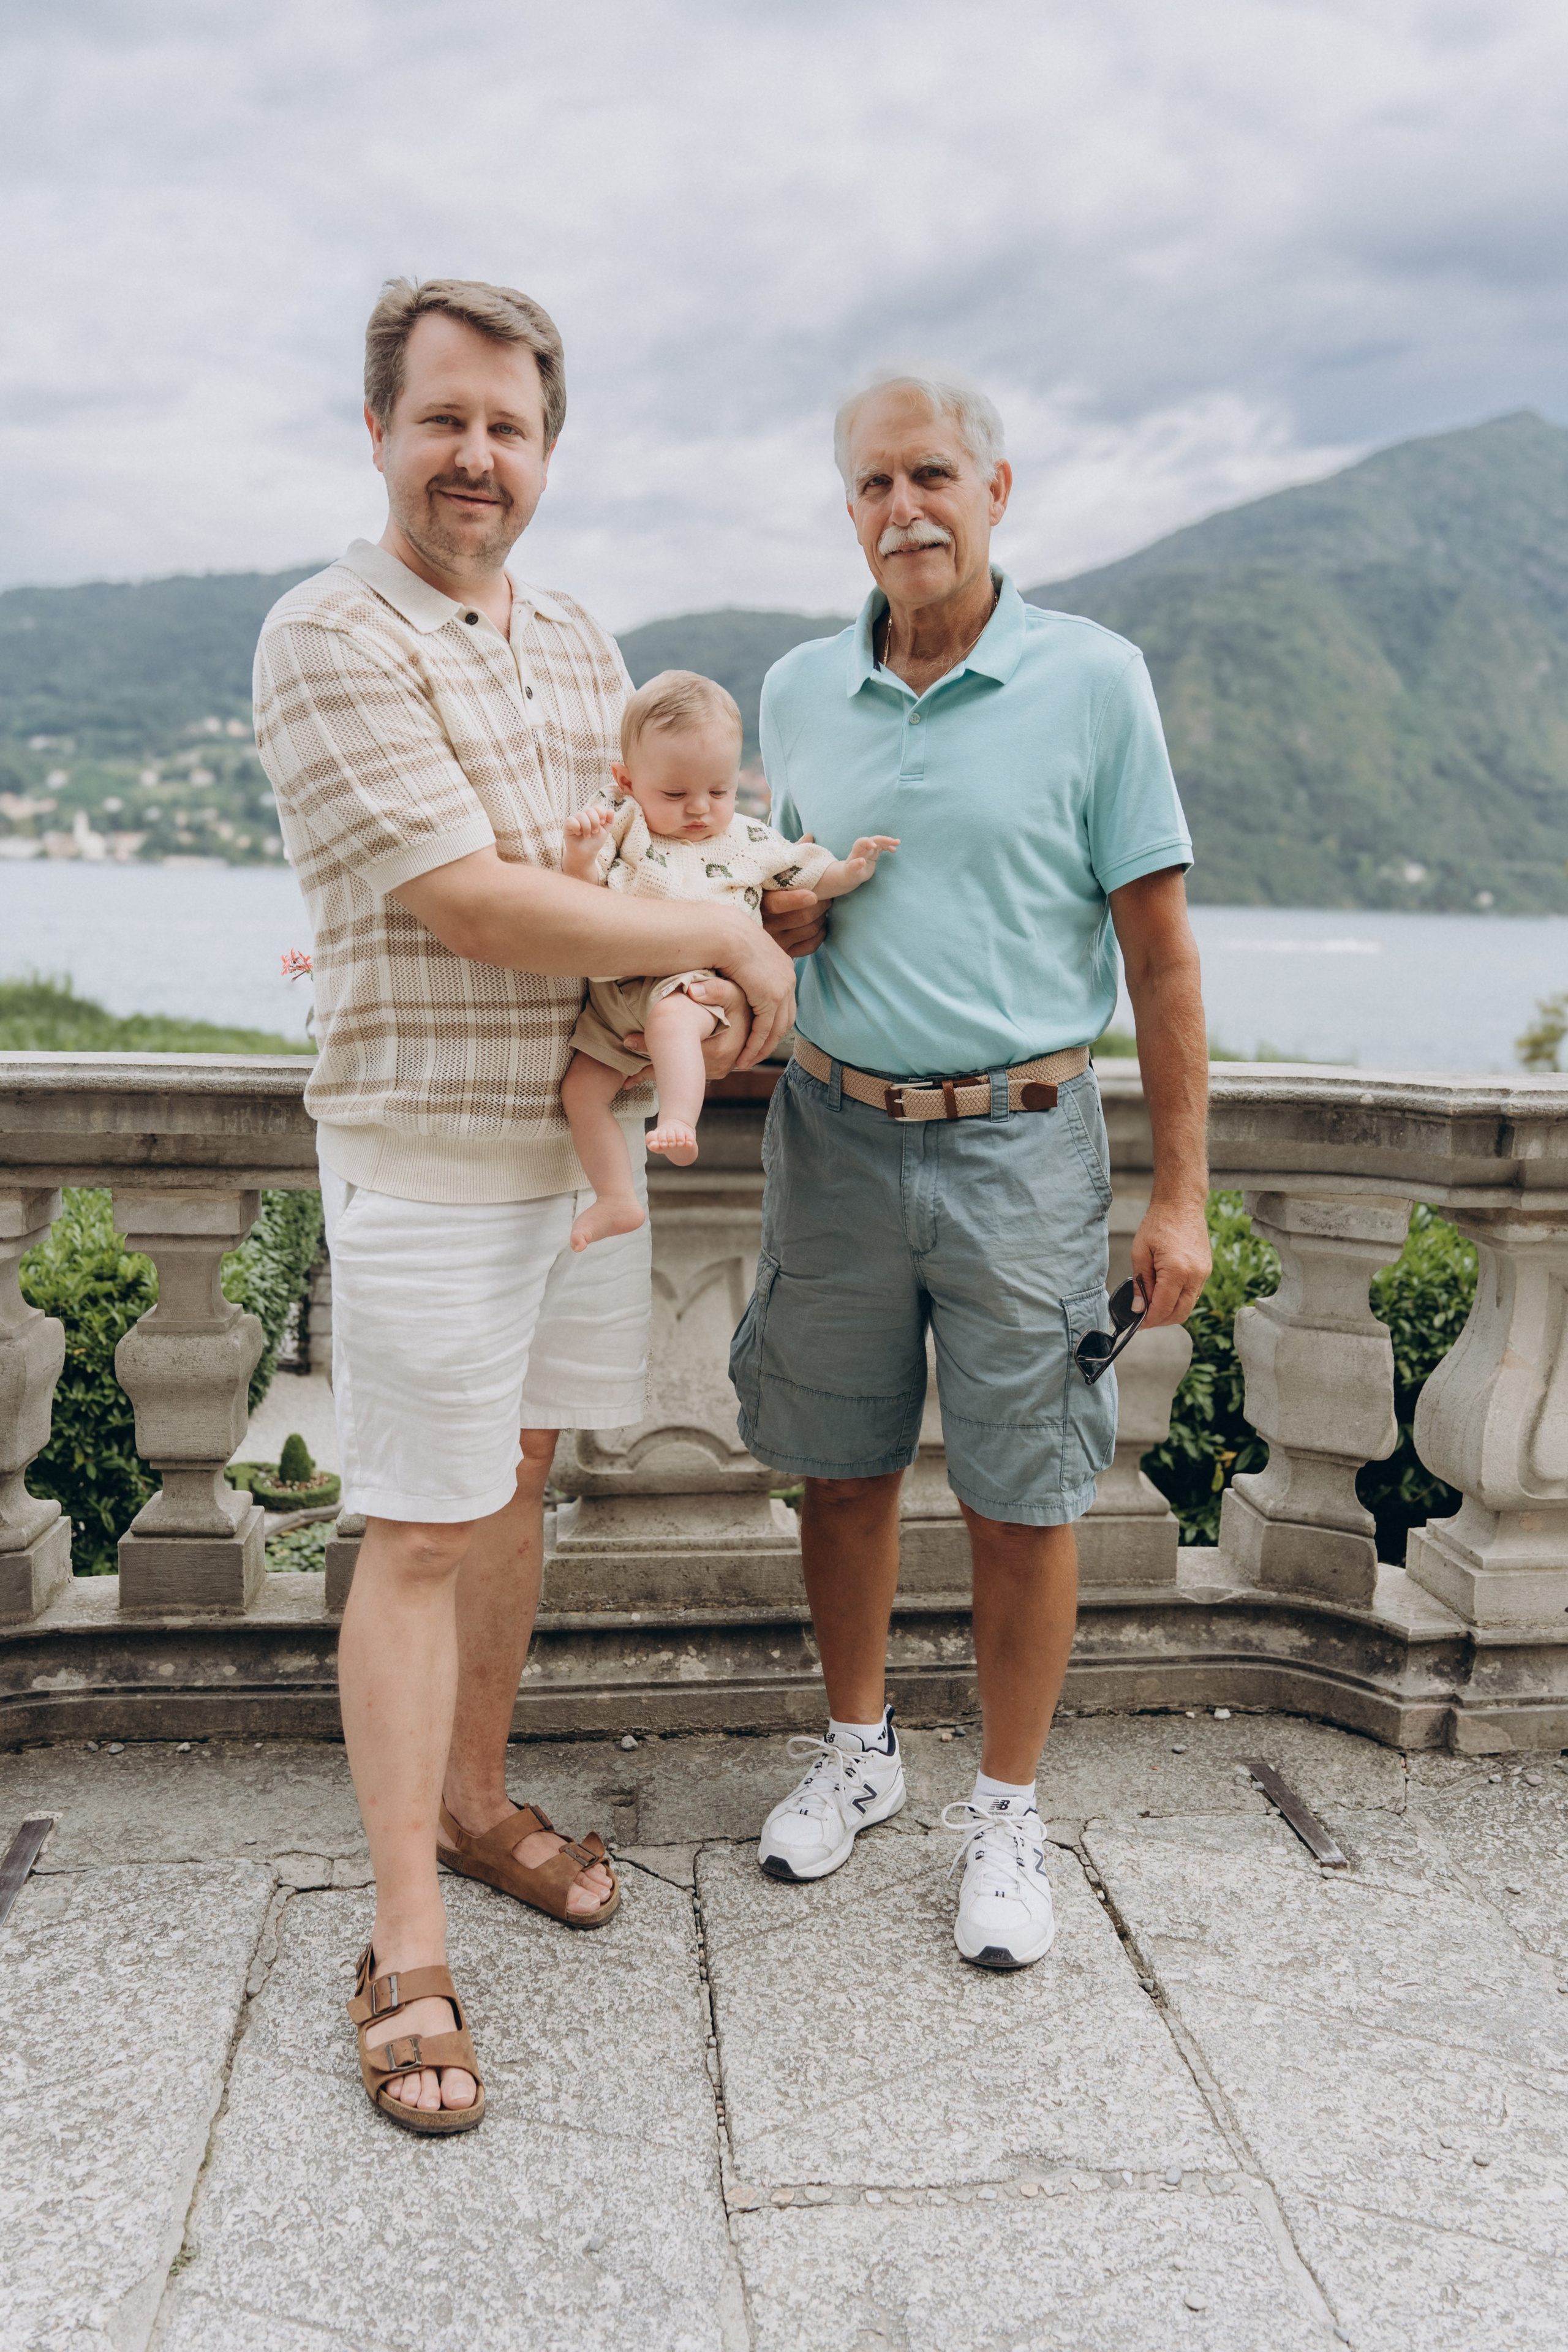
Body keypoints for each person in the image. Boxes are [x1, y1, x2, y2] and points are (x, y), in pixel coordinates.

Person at [253, 278, 795, 2132]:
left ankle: (476, 1806)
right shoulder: (325, 632)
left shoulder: (580, 640)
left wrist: (728, 931)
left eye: (510, 427)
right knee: (413, 1527)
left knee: (518, 1476)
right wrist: (706, 928)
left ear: (547, 450)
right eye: (444, 419)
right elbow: (477, 903)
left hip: (575, 1153)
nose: (476, 456)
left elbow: (618, 868)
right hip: (419, 1148)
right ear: (382, 432)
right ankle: (402, 1938)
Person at [737, 369, 1212, 1969]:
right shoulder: (798, 689)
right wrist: (783, 918)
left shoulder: (1095, 682)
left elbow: (1161, 962)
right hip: (831, 1133)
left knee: (1025, 1493)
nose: (901, 509)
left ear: (998, 492)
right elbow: (772, 902)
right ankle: (860, 1750)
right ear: (849, 508)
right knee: (844, 1467)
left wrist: (1181, 1194)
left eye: (930, 475)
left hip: (1024, 1149)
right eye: (871, 485)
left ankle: (1009, 1812)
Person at [560, 667, 897, 1247]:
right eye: (674, 794)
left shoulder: (743, 837)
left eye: (717, 792)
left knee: (673, 1022)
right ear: (627, 779)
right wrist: (578, 853)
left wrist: (851, 868)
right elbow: (579, 899)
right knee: (581, 1091)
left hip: (690, 984)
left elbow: (805, 872)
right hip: (613, 995)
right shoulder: (625, 826)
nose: (699, 809)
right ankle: (615, 1197)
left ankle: (680, 1118)